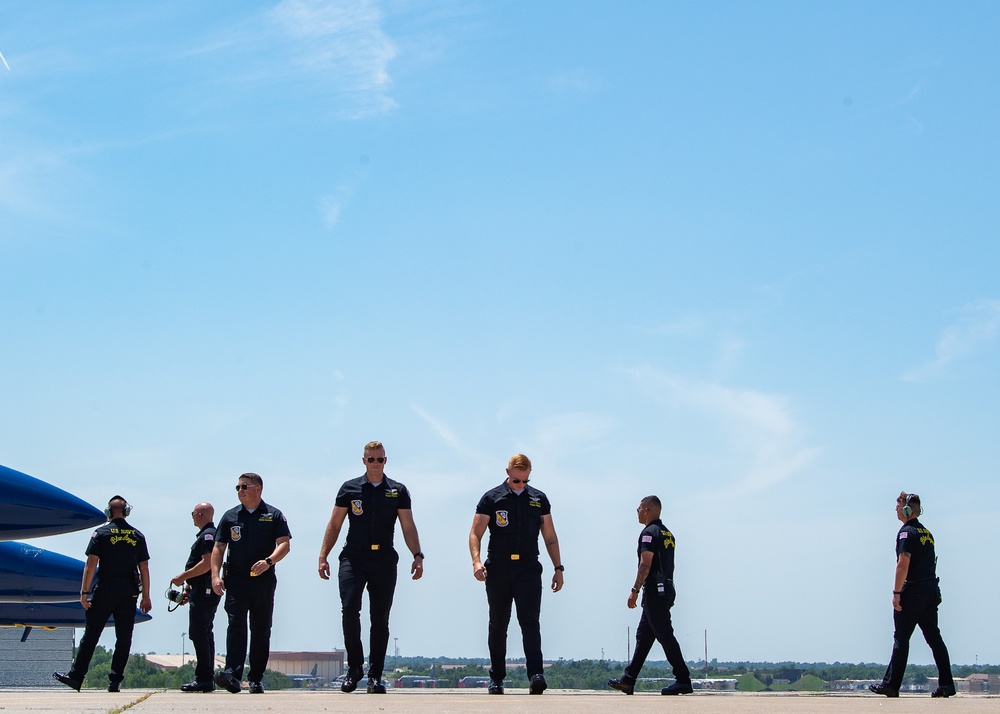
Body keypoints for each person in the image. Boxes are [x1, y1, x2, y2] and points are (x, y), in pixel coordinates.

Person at [318, 441, 425, 694]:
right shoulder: (349, 489)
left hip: (384, 559)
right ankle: (354, 668)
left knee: (380, 618)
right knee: (349, 608)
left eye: (379, 459)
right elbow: (334, 524)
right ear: (363, 461)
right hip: (353, 558)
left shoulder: (397, 491)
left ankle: (376, 676)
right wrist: (323, 556)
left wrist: (417, 555)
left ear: (385, 461)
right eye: (370, 459)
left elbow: (408, 526)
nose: (375, 464)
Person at [469, 454, 564, 695]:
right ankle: (497, 678)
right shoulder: (492, 498)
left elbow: (550, 536)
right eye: (516, 480)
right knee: (498, 624)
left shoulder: (538, 499)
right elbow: (475, 533)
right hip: (499, 568)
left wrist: (558, 568)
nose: (520, 484)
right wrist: (476, 562)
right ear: (507, 473)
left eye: (525, 480)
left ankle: (536, 674)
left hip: (528, 568)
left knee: (530, 622)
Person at [53, 495, 152, 692]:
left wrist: (84, 592)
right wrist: (146, 596)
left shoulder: (101, 533)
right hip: (129, 591)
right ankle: (115, 681)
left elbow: (90, 565)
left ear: (108, 512)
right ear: (126, 511)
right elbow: (144, 568)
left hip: (106, 589)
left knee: (91, 634)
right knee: (124, 637)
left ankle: (76, 676)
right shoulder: (137, 536)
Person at [211, 473, 291, 695]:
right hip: (236, 580)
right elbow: (218, 548)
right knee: (235, 624)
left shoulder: (273, 515)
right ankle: (233, 675)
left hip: (263, 580)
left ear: (258, 489)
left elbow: (284, 544)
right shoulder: (230, 517)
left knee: (261, 628)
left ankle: (256, 678)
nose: (240, 490)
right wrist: (215, 576)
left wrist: (269, 561)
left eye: (244, 486)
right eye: (237, 487)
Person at [869, 492, 955, 698]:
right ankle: (947, 685)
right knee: (935, 638)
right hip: (930, 592)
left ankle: (891, 685)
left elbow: (903, 564)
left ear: (908, 510)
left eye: (898, 506)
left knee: (901, 639)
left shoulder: (906, 532)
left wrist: (897, 593)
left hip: (913, 592)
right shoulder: (927, 533)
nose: (896, 510)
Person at [608, 495, 692, 696]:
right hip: (667, 588)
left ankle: (683, 679)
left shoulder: (649, 533)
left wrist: (635, 590)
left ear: (647, 510)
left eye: (638, 508)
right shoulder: (667, 534)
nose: (636, 512)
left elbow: (645, 564)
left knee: (665, 635)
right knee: (644, 636)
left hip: (656, 590)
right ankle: (628, 680)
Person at [171, 502, 221, 693]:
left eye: (193, 513)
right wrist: (188, 588)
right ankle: (206, 677)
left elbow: (207, 563)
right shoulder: (206, 535)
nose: (192, 516)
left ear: (200, 514)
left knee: (199, 633)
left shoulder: (208, 535)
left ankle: (204, 679)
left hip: (205, 591)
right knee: (203, 633)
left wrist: (182, 577)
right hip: (200, 589)